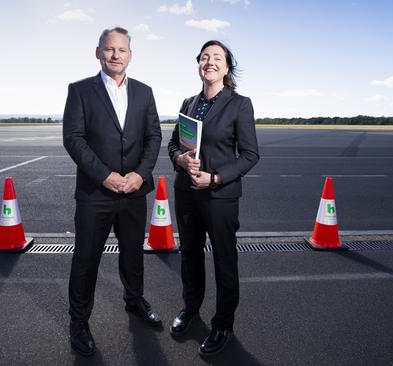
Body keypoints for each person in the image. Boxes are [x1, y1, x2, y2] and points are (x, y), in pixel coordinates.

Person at [62, 26, 163, 357]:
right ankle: (79, 322)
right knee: (86, 260)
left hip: (134, 191)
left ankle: (134, 301)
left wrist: (140, 174)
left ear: (130, 55)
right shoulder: (79, 91)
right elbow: (73, 139)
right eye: (109, 49)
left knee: (133, 254)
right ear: (98, 53)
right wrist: (105, 176)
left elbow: (154, 138)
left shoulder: (145, 92)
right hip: (95, 193)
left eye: (121, 50)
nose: (115, 55)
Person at [167, 40, 259, 356]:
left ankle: (223, 324)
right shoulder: (188, 102)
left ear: (227, 67)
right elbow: (173, 145)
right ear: (199, 65)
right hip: (187, 194)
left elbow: (249, 155)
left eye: (216, 57)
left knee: (223, 261)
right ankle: (190, 309)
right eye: (205, 57)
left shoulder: (240, 104)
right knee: (190, 256)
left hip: (219, 196)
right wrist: (180, 159)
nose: (210, 61)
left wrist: (216, 177)